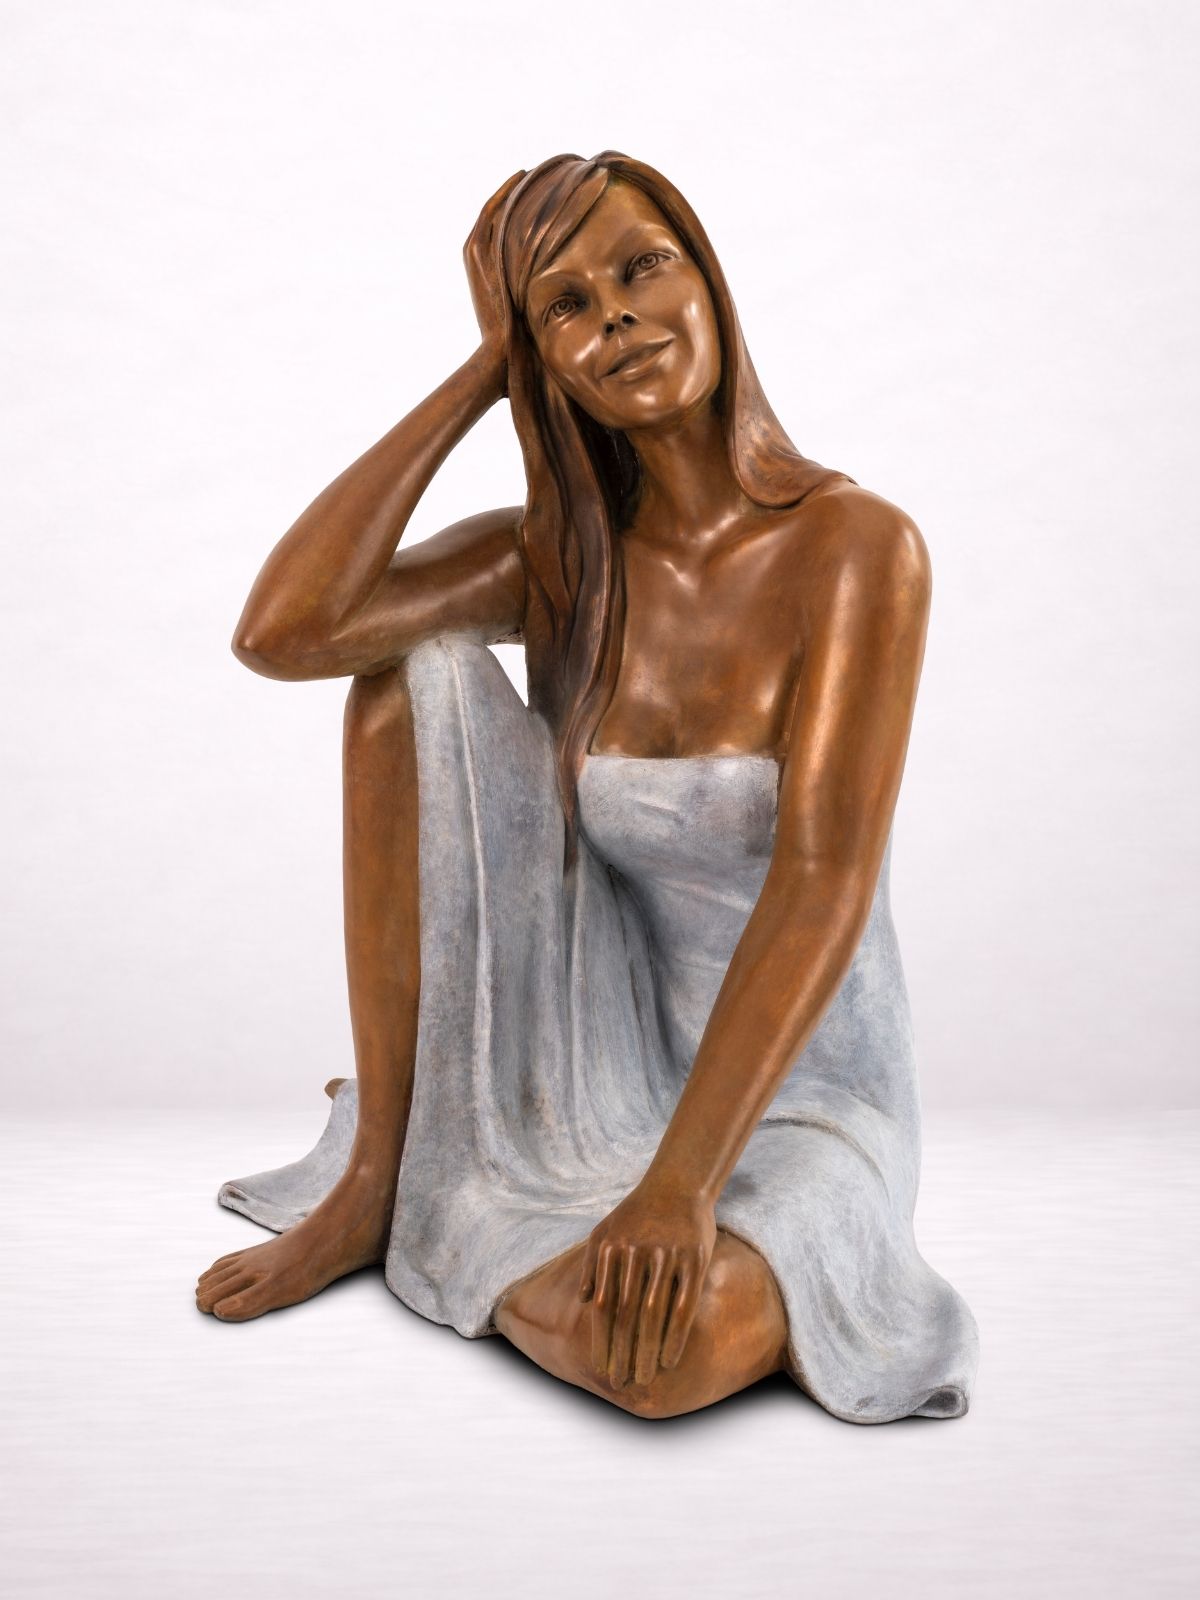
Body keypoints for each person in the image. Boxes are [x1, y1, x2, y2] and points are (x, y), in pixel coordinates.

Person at [195, 152, 980, 1423]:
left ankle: (450, 1184)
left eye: (640, 267)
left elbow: (821, 889)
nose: (614, 315)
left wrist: (679, 1189)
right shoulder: (565, 561)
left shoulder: (855, 548)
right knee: (401, 683)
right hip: (598, 1037)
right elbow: (286, 631)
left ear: (705, 278)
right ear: (542, 358)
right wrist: (482, 370)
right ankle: (385, 1173)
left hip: (800, 1091)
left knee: (659, 1357)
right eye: (564, 306)